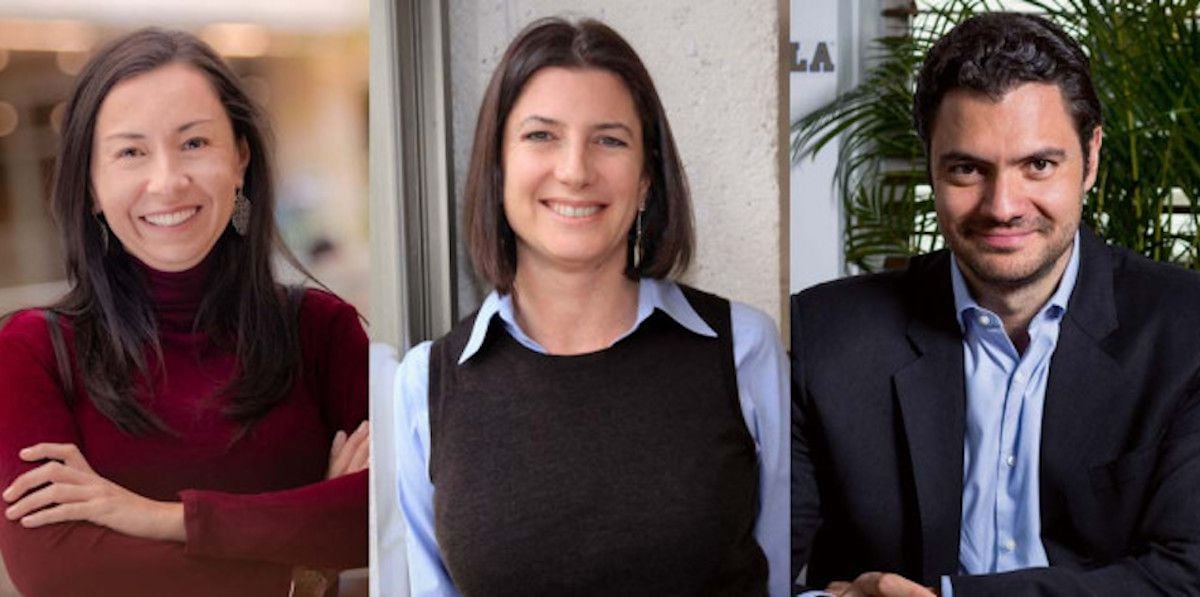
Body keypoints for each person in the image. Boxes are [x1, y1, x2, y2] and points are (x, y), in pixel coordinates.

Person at [791, 11, 1200, 596]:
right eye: (966, 168)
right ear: (931, 165)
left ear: (1091, 158)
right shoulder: (825, 336)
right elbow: (749, 566)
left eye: (1038, 164)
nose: (1003, 205)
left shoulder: (1186, 331)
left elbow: (1188, 578)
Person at [391, 17, 789, 596]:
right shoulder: (423, 387)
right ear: (498, 169)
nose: (575, 170)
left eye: (609, 139)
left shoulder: (744, 352)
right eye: (541, 136)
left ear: (647, 177)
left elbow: (779, 576)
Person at [0, 28, 368, 596]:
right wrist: (301, 566)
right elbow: (56, 570)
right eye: (130, 152)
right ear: (92, 186)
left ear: (240, 157)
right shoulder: (33, 352)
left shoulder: (320, 330)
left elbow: (382, 513)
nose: (167, 182)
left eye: (194, 143)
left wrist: (158, 518)